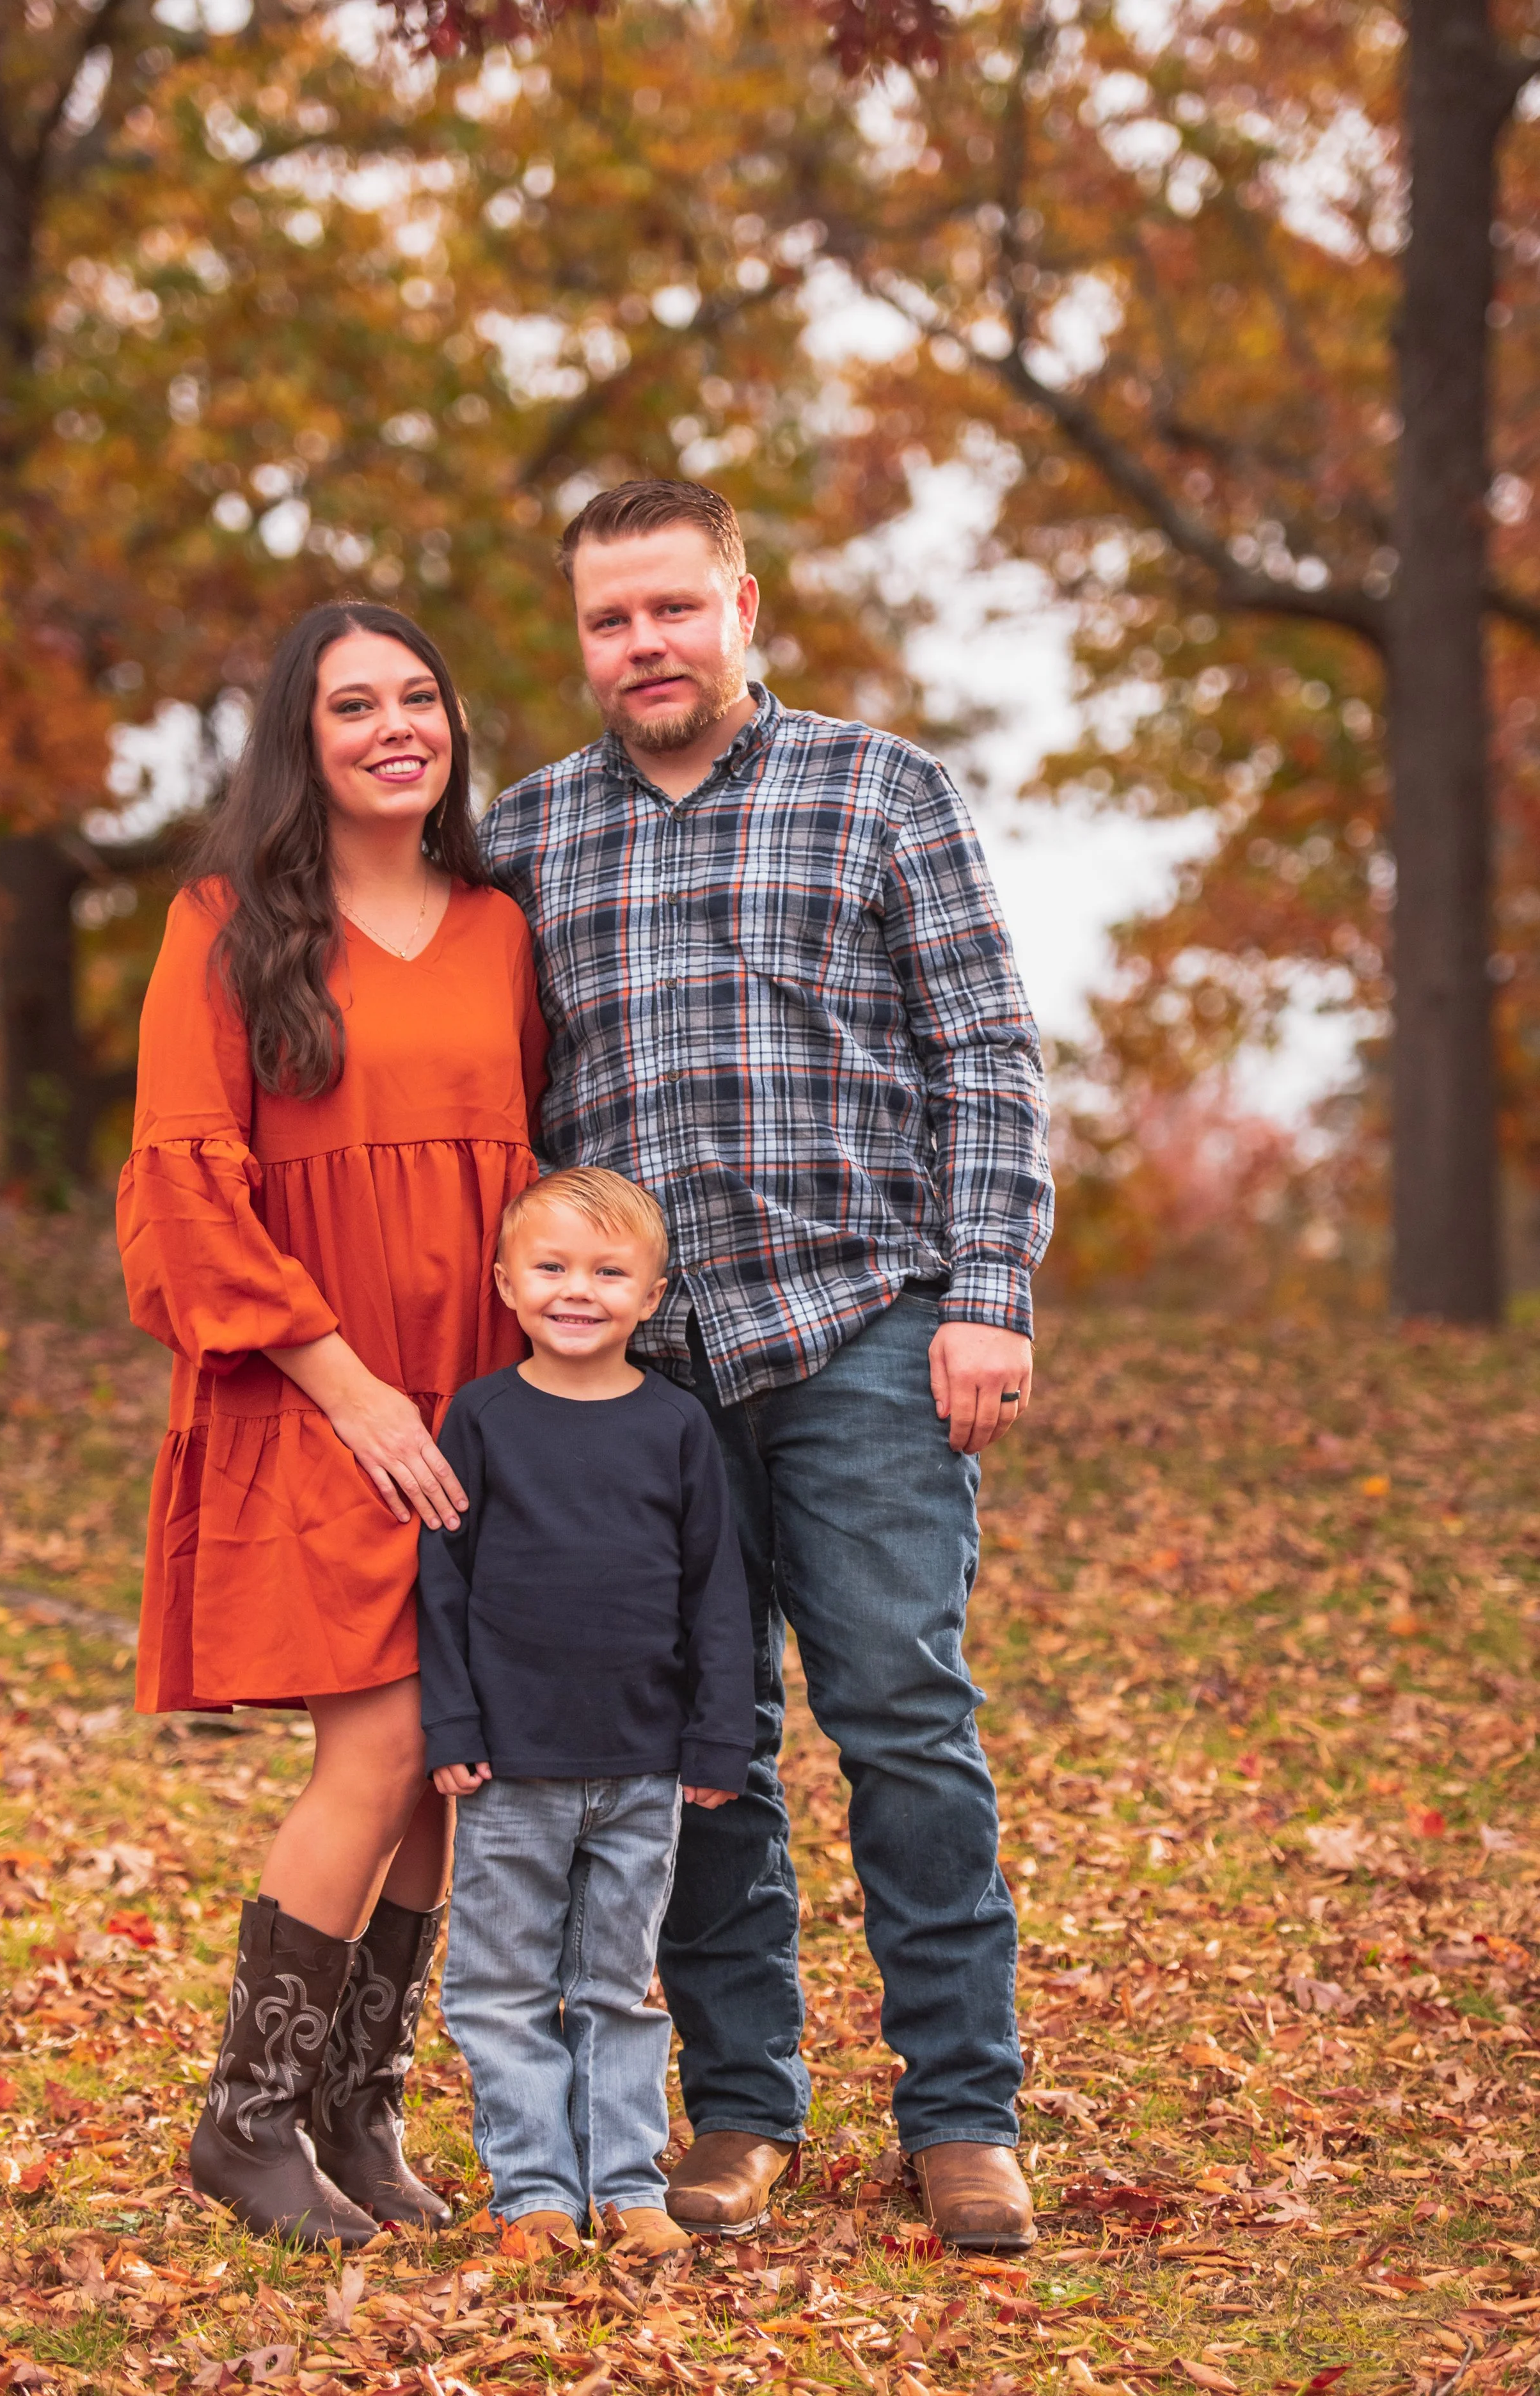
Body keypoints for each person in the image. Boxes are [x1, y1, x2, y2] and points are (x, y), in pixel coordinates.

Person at [478, 480, 1054, 2255]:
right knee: (693, 1743)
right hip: (640, 1378)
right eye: (606, 620)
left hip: (864, 1326)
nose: (640, 644)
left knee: (896, 1713)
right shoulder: (525, 838)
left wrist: (987, 1294)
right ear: (580, 639)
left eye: (670, 608)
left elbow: (984, 1049)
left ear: (740, 604)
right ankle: (739, 2111)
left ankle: (961, 2114)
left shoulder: (878, 790)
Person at [117, 600, 547, 2249]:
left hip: (474, 1402)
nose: (394, 726)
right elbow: (182, 1188)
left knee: (447, 1760)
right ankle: (246, 2119)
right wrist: (346, 1381)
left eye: (419, 697)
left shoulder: (504, 930)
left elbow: (516, 1180)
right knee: (372, 1743)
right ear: (301, 737)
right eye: (353, 703)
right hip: (316, 1386)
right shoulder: (227, 926)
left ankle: (357, 2117)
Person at [417, 1167, 753, 2258]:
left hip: (644, 1768)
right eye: (553, 1267)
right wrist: (455, 1727)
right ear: (506, 1281)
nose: (579, 1290)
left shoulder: (677, 1426)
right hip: (512, 1766)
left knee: (615, 1988)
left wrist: (716, 1736)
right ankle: (533, 2196)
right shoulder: (482, 1418)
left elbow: (716, 1593)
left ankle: (626, 2186)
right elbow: (445, 1585)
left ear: (652, 1296)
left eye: (610, 1272)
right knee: (503, 1990)